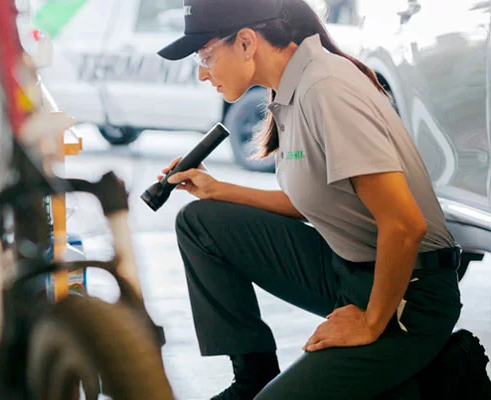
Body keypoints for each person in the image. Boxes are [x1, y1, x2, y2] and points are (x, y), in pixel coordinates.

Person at [155, 0, 490, 398]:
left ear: (246, 43)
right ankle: (252, 379)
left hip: (408, 293)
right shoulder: (291, 89)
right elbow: (318, 202)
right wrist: (219, 190)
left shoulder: (325, 88)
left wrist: (369, 322)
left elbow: (404, 226)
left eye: (206, 56)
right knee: (200, 223)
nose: (201, 73)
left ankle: (430, 377)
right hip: (348, 268)